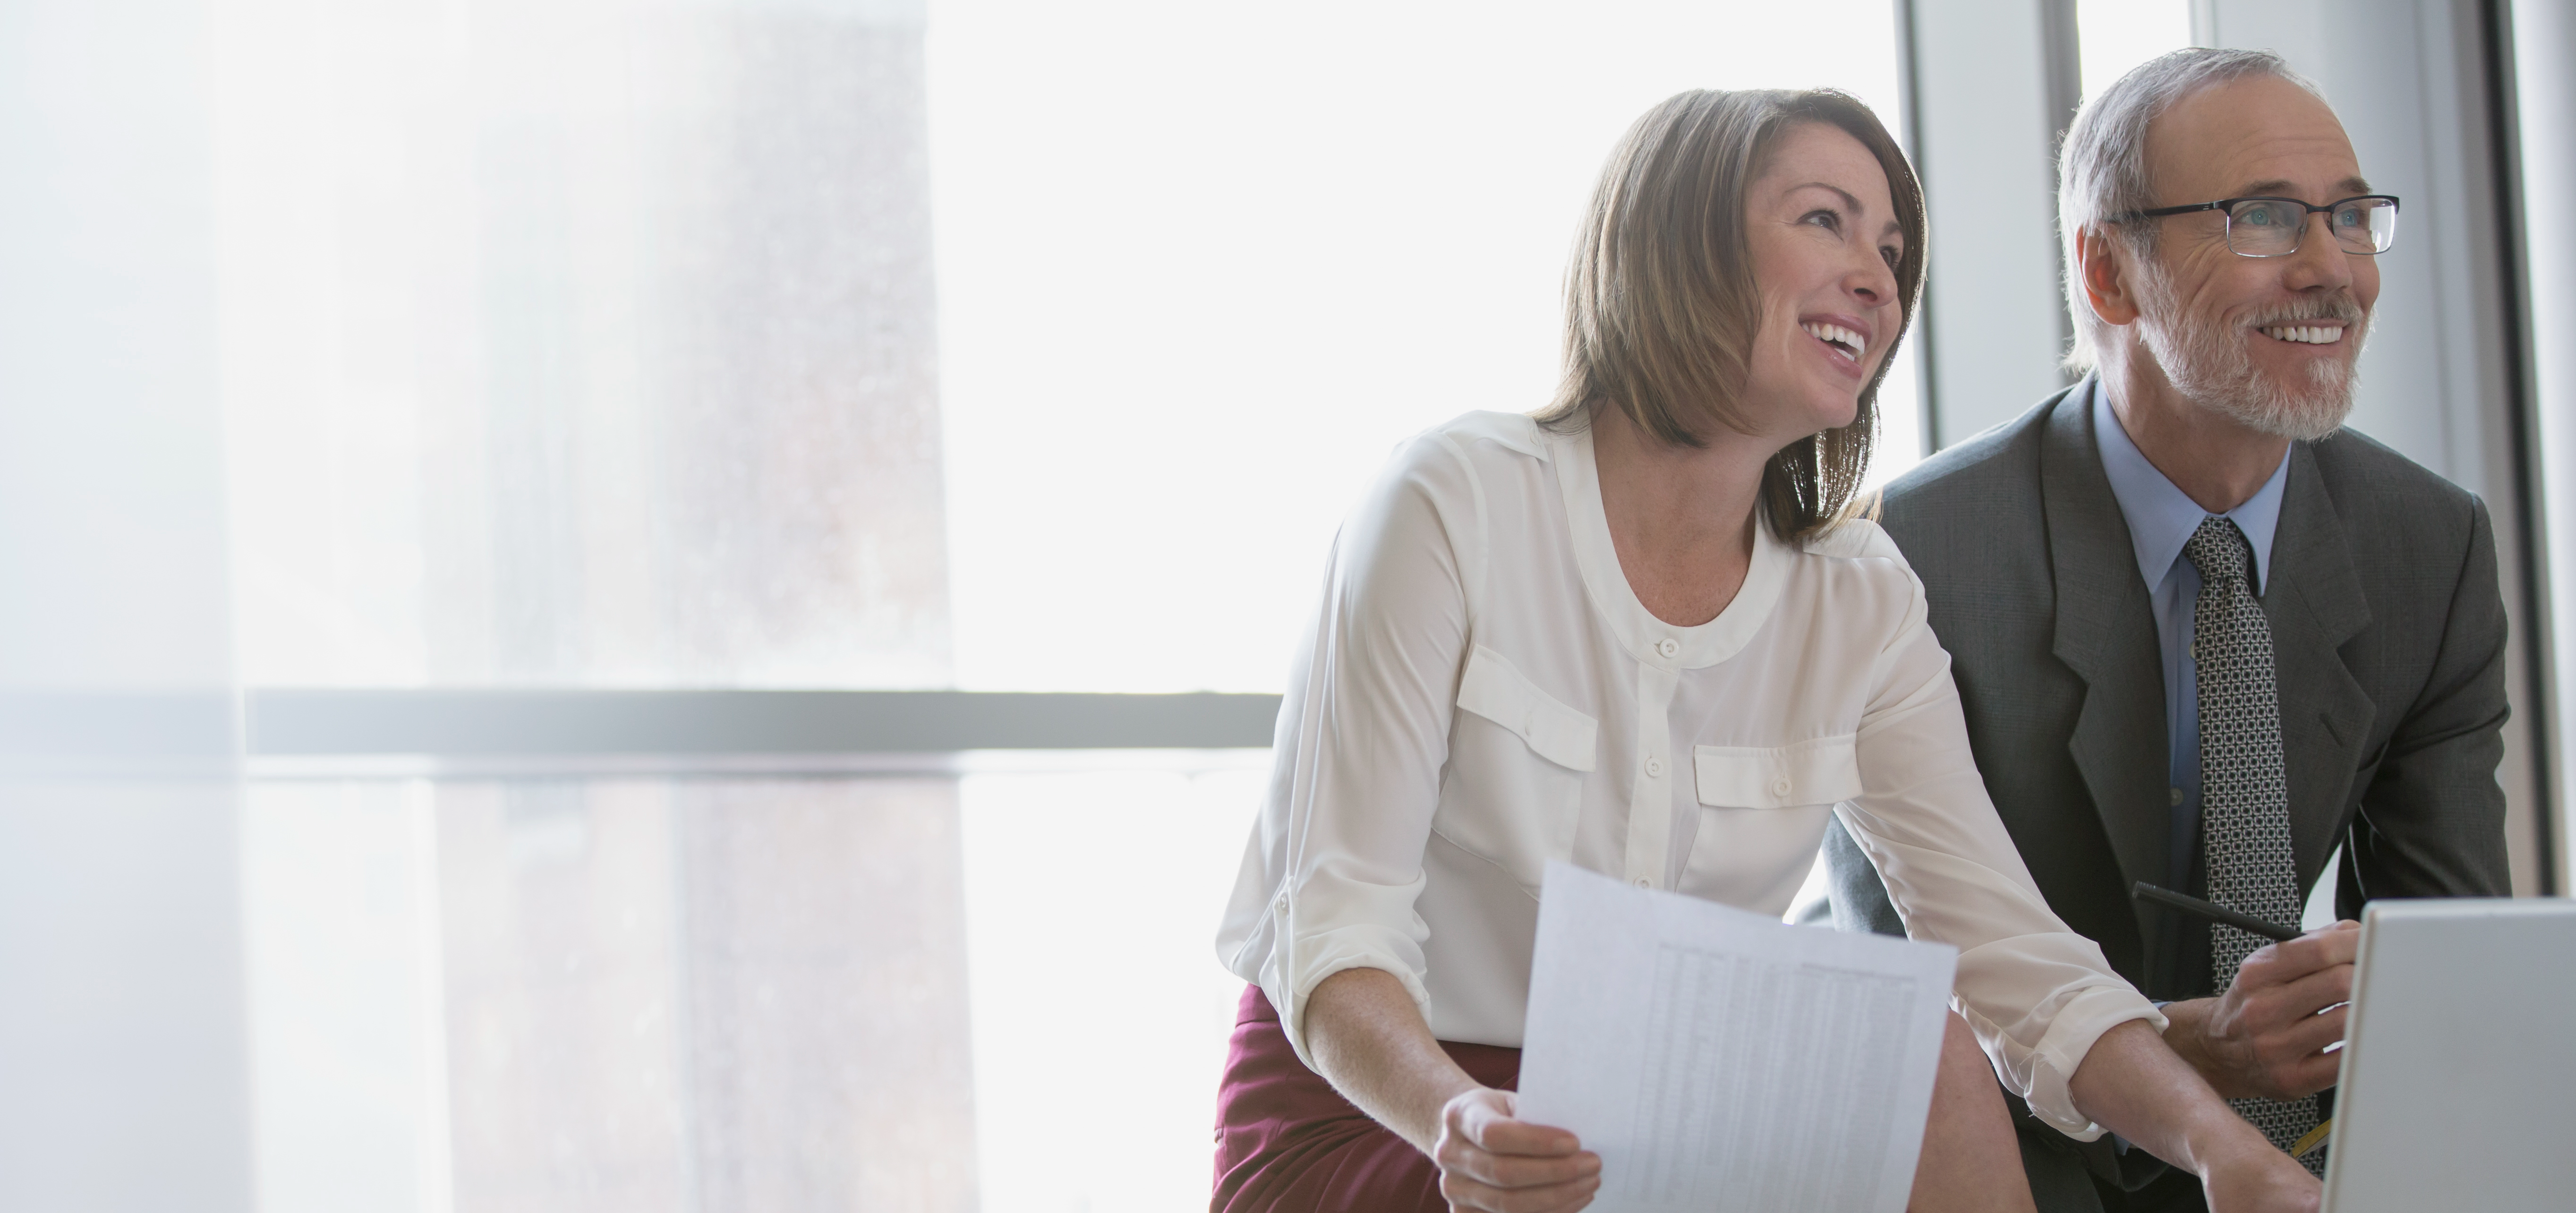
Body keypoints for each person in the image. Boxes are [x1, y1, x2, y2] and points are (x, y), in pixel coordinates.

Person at [1211, 87, 2317, 1213]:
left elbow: (2014, 962)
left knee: (1925, 1051)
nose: (1879, 279)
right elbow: (1335, 924)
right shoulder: (1452, 503)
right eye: (1824, 221)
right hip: (1384, 1112)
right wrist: (1457, 1119)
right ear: (1679, 245)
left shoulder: (1859, 597)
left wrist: (2217, 1147)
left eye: (1892, 248)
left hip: (1643, 1120)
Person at [1820, 48, 2513, 1213]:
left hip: (2309, 1148)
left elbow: (2458, 970)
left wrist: (2389, 1008)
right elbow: (1897, 1010)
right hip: (2001, 1149)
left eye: (2351, 218)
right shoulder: (1917, 553)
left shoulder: (2429, 546)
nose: (2331, 270)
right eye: (2264, 220)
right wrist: (2179, 1053)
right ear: (2108, 273)